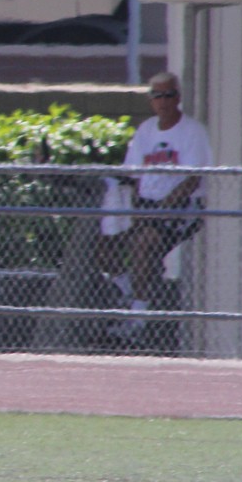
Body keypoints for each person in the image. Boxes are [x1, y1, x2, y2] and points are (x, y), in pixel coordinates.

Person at [96, 70, 212, 338]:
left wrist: (160, 211)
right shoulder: (146, 130)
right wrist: (137, 210)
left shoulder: (192, 131)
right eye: (157, 95)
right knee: (104, 246)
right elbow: (134, 176)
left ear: (178, 98)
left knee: (144, 244)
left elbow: (192, 181)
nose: (163, 101)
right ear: (151, 100)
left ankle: (137, 322)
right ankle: (131, 292)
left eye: (169, 95)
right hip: (147, 204)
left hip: (182, 207)